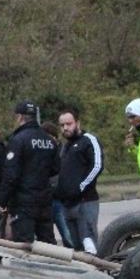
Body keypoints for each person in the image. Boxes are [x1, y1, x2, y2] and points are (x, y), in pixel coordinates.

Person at [0, 101, 60, 244]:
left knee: (24, 243)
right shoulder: (48, 140)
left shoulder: (18, 139)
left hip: (23, 201)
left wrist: (2, 201)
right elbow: (56, 168)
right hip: (44, 199)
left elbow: (11, 174)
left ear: (19, 117)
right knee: (47, 243)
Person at [56, 109, 104, 254]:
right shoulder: (65, 146)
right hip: (67, 204)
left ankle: (99, 271)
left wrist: (81, 187)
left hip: (85, 201)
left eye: (69, 124)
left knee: (89, 244)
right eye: (62, 125)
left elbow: (97, 166)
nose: (65, 128)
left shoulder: (88, 140)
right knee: (75, 248)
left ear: (77, 123)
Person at [41, 121, 75, 248]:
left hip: (60, 199)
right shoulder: (42, 152)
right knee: (47, 237)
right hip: (46, 198)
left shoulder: (64, 150)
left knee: (68, 236)